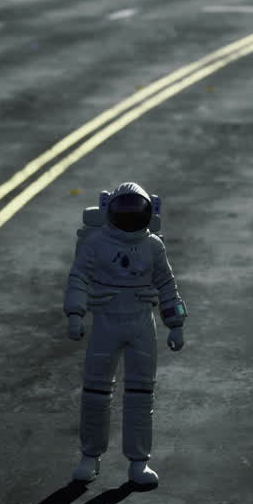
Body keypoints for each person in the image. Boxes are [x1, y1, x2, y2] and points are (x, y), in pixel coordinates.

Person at [63, 181, 187, 487]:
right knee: (95, 393)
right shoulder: (96, 243)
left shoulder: (153, 246)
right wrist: (76, 314)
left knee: (141, 394)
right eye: (125, 211)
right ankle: (90, 457)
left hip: (140, 320)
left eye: (136, 212)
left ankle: (138, 461)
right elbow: (78, 278)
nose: (131, 218)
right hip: (107, 319)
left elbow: (167, 284)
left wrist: (176, 323)